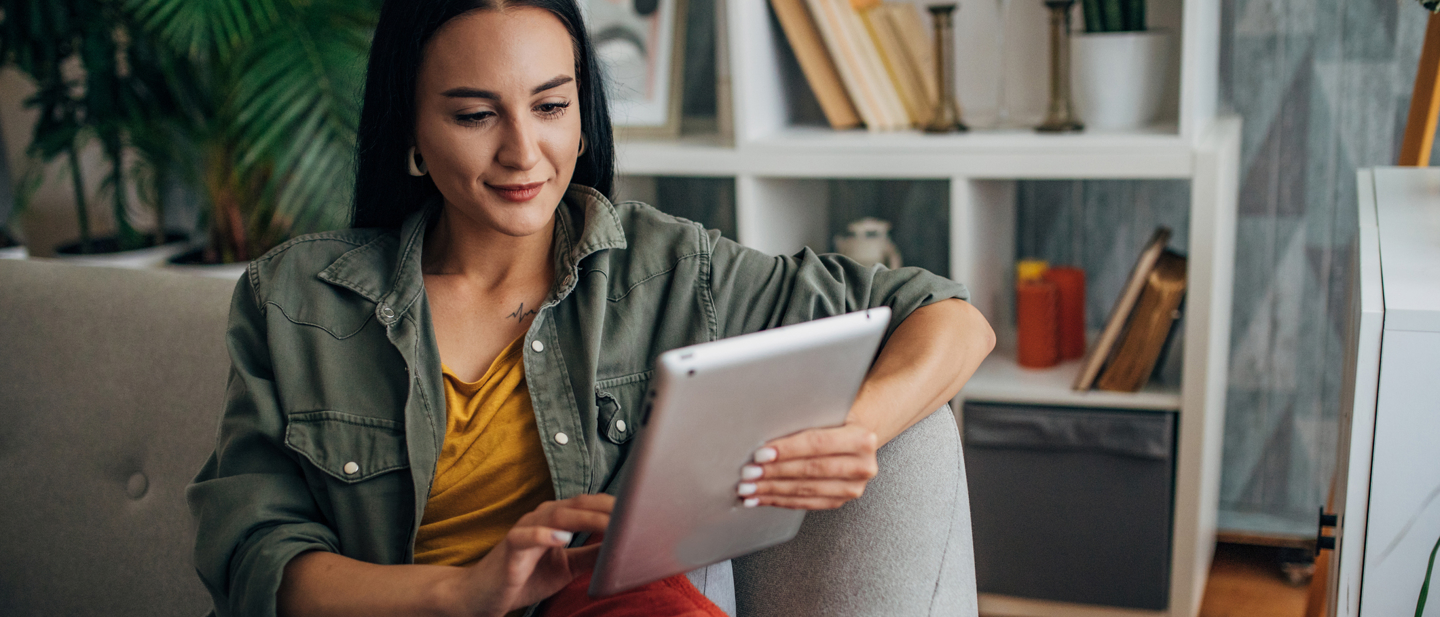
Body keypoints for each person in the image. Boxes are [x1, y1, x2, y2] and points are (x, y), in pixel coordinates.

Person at [187, 0, 996, 615]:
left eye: (550, 106)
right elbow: (257, 554)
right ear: (411, 131)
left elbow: (949, 314)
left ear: (583, 117)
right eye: (475, 115)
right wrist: (463, 591)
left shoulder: (669, 268)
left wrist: (855, 429)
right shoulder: (295, 300)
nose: (522, 152)